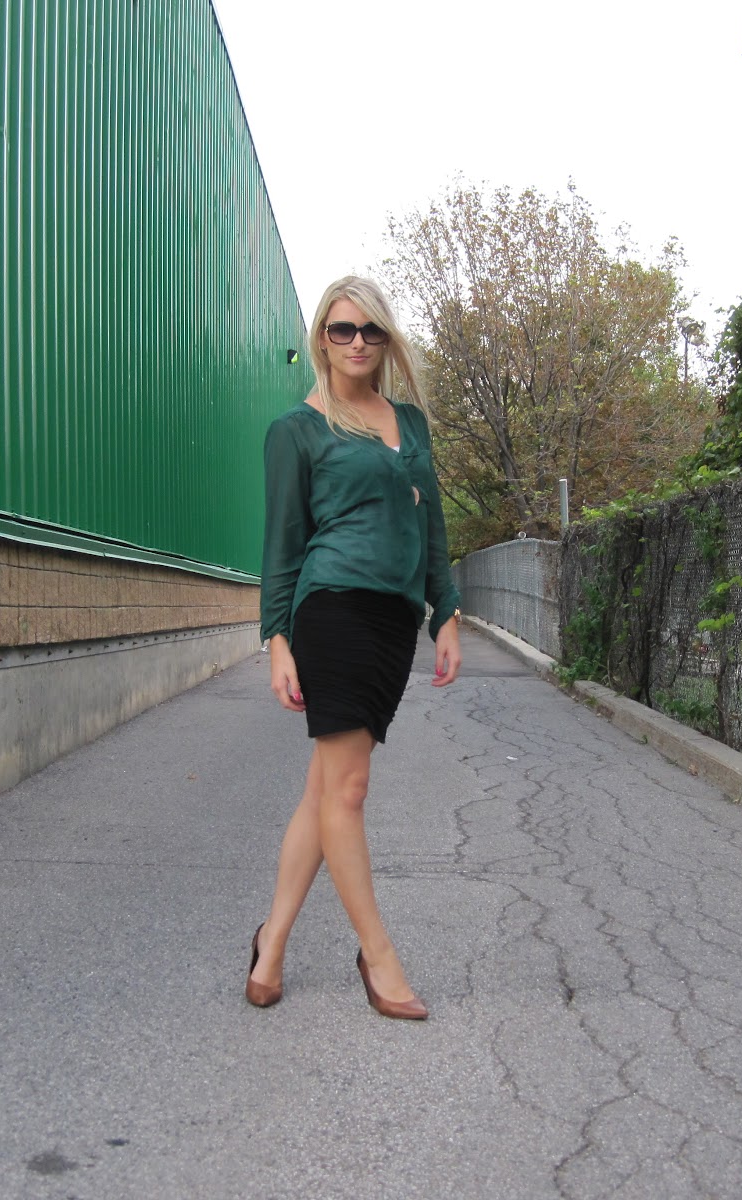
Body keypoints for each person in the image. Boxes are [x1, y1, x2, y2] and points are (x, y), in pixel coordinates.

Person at [247, 276, 462, 1020]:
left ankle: (271, 945)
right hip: (332, 609)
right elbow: (282, 544)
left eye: (371, 329)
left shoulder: (410, 422)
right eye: (343, 329)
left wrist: (446, 611)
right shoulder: (298, 430)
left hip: (394, 618)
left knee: (324, 789)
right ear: (322, 338)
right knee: (348, 790)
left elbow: (431, 524)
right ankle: (379, 956)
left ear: (387, 338)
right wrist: (277, 639)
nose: (358, 342)